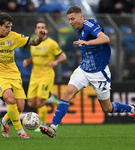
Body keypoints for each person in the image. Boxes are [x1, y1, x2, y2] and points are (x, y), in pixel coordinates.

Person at [40, 6, 135, 138]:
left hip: (99, 73)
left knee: (107, 108)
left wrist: (87, 43)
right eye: (69, 19)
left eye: (73, 19)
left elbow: (105, 38)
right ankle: (53, 128)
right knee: (67, 93)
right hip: (83, 70)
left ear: (81, 17)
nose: (71, 22)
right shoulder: (79, 29)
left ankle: (132, 109)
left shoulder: (90, 25)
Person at [0, 12, 47, 139]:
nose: (9, 30)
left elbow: (33, 42)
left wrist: (39, 38)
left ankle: (4, 121)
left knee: (20, 107)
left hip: (13, 74)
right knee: (10, 99)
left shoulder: (14, 37)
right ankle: (21, 132)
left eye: (11, 27)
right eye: (7, 27)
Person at [23, 20, 67, 131]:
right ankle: (51, 98)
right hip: (34, 76)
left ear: (46, 30)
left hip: (46, 75)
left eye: (43, 27)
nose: (40, 29)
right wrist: (29, 61)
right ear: (35, 30)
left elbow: (63, 56)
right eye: (38, 27)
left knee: (40, 102)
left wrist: (56, 62)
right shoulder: (33, 43)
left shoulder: (51, 43)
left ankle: (42, 125)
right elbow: (35, 57)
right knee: (31, 103)